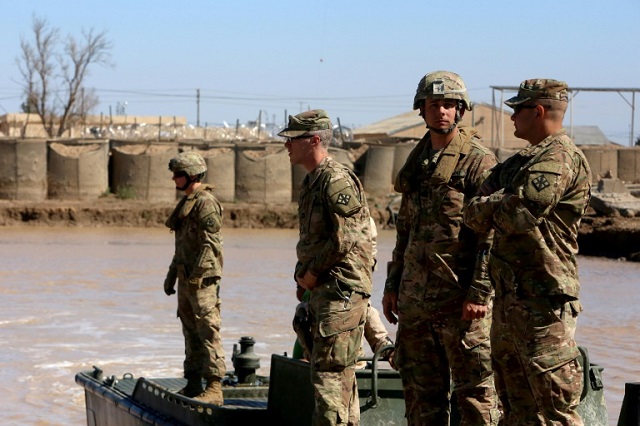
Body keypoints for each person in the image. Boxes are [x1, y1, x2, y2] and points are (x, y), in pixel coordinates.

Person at [464, 79, 592, 425]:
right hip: (510, 299)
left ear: (538, 111)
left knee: (554, 410)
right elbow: (472, 211)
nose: (511, 118)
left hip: (543, 301)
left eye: (517, 110)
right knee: (515, 409)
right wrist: (497, 202)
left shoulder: (559, 157)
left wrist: (495, 204)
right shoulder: (519, 162)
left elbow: (520, 212)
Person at [381, 70, 500, 425]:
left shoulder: (477, 161)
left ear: (461, 109)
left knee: (475, 396)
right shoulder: (416, 162)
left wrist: (479, 292)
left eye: (449, 105)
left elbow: (490, 233)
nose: (442, 112)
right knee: (419, 395)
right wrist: (392, 285)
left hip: (460, 302)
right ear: (421, 109)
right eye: (434, 105)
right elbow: (405, 230)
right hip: (416, 301)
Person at [280, 109, 374, 426]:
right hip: (325, 290)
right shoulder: (312, 182)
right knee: (340, 383)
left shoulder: (334, 180)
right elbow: (314, 238)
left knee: (330, 384)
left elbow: (346, 237)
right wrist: (302, 275)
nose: (287, 145)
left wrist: (313, 272)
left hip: (339, 292)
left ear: (314, 140)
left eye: (293, 139)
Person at [163, 151, 226, 405]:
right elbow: (182, 247)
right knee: (190, 331)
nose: (174, 179)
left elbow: (211, 245)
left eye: (177, 175)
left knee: (207, 329)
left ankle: (214, 386)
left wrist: (196, 277)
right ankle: (193, 382)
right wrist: (171, 276)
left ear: (190, 176)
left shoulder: (205, 202)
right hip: (186, 278)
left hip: (202, 281)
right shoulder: (188, 201)